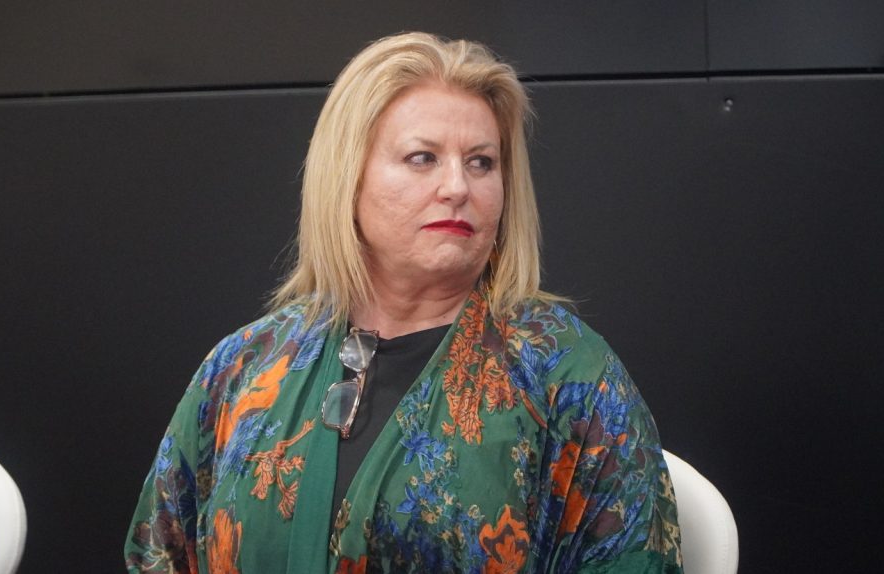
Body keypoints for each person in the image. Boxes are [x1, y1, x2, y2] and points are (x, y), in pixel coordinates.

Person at [125, 32, 682, 573]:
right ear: (348, 178)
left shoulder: (568, 375)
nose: (457, 187)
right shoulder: (244, 366)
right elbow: (160, 553)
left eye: (481, 162)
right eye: (422, 158)